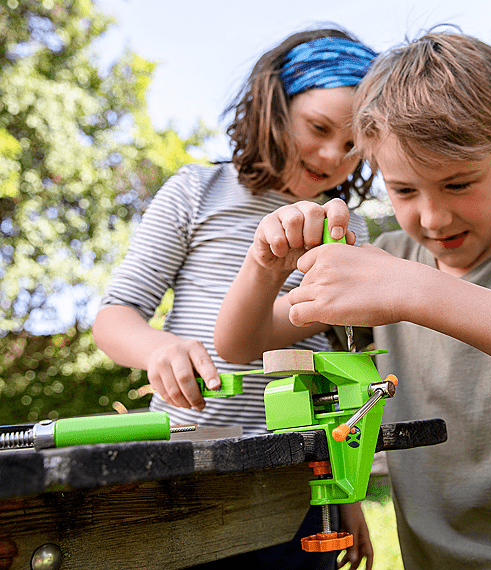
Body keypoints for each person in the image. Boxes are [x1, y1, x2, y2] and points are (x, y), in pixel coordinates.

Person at [214, 31, 491, 570]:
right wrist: (265, 266)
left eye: (458, 184)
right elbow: (241, 345)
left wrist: (416, 290)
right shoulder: (387, 261)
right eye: (403, 190)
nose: (432, 217)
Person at [92, 27, 379, 570]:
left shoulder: (347, 229)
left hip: (296, 479)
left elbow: (332, 374)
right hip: (183, 466)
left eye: (353, 147)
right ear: (275, 106)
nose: (331, 156)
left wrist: (346, 492)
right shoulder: (195, 191)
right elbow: (114, 315)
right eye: (318, 128)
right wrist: (157, 348)